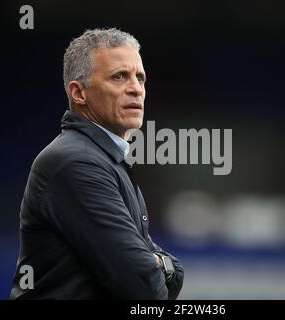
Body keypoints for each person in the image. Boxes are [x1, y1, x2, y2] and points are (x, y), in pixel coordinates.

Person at [10, 28, 184, 299]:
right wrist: (159, 264)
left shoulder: (106, 159)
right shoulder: (74, 162)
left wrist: (158, 265)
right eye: (119, 77)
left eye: (140, 78)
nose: (136, 89)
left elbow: (169, 275)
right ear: (79, 93)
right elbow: (144, 287)